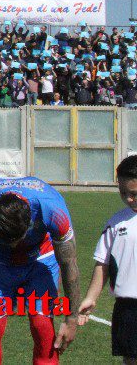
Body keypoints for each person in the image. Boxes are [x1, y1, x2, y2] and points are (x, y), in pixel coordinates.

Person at [0, 176, 81, 364]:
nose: (13, 247)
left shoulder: (53, 208)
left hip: (39, 258)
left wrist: (72, 318)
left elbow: (68, 263)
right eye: (6, 241)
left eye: (16, 240)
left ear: (29, 225)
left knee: (43, 327)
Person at [79, 155, 137, 363]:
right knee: (130, 359)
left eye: (134, 194)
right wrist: (91, 298)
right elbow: (102, 264)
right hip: (127, 306)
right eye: (123, 193)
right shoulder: (116, 223)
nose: (129, 199)